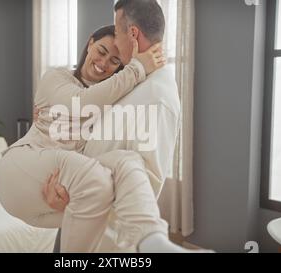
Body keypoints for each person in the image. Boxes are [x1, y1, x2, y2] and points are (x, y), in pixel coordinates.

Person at [42, 0, 215, 253]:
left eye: (117, 28)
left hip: (98, 237)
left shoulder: (157, 96)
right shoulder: (132, 80)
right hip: (73, 214)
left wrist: (76, 202)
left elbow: (144, 182)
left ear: (132, 34)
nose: (114, 39)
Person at [0, 24, 173, 252]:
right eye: (101, 51)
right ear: (90, 44)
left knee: (128, 162)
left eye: (115, 61)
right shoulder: (56, 77)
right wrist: (137, 68)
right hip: (19, 170)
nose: (103, 63)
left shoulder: (114, 96)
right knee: (96, 179)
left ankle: (154, 241)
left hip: (68, 183)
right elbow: (82, 101)